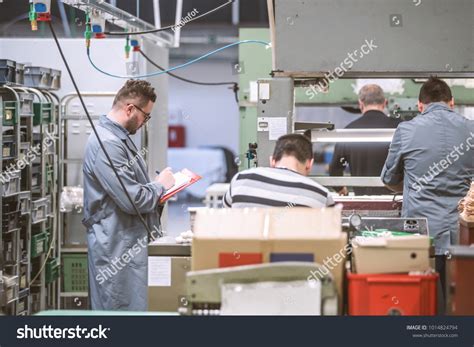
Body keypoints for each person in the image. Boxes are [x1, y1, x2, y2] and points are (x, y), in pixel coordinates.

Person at [83, 80, 175, 310]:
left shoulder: (120, 140)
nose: (145, 122)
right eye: (146, 116)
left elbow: (132, 190)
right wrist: (160, 186)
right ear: (130, 109)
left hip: (127, 244)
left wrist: (156, 189)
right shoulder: (108, 144)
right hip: (117, 249)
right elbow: (132, 200)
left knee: (134, 311)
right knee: (119, 312)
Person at [381, 77, 473, 298]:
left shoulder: (406, 130)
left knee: (424, 300)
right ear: (452, 102)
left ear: (420, 105)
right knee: (463, 299)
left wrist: (413, 184)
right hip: (463, 232)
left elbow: (389, 178)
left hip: (421, 234)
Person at [223, 134, 334, 208]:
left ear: (272, 160)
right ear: (309, 164)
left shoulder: (240, 180)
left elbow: (226, 221)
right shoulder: (322, 196)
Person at [329, 84, 401, 195]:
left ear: (361, 104)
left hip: (363, 203)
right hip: (395, 201)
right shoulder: (400, 128)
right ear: (385, 103)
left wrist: (341, 189)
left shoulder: (348, 131)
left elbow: (335, 170)